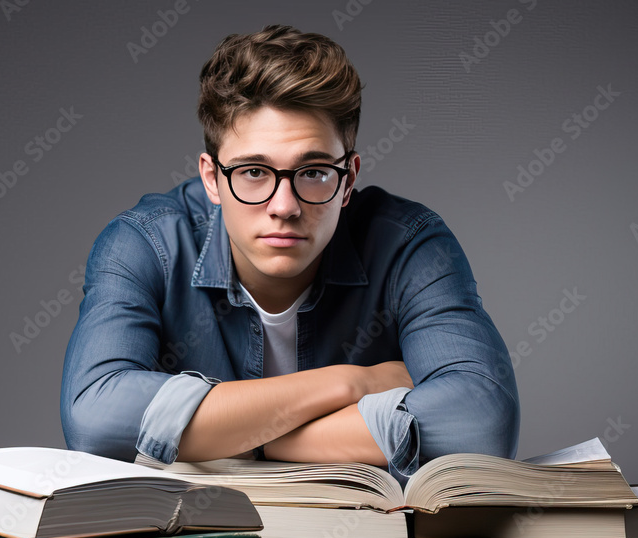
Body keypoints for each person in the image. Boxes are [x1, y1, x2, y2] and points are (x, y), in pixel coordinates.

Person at [61, 25, 519, 478]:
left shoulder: (408, 244)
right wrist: (350, 384)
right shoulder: (144, 243)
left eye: (315, 172)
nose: (285, 207)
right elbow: (96, 421)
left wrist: (232, 437)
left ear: (349, 179)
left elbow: (479, 424)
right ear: (212, 179)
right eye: (254, 172)